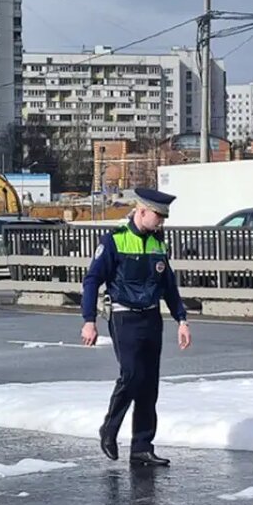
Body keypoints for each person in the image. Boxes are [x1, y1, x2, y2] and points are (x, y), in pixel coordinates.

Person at [81, 187, 192, 466]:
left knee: (149, 384)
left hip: (151, 317)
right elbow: (92, 280)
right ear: (142, 211)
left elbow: (168, 286)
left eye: (163, 218)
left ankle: (142, 446)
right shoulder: (115, 240)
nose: (161, 222)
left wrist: (181, 319)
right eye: (158, 216)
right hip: (124, 317)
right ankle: (109, 429)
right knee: (131, 375)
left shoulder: (157, 243)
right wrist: (89, 321)